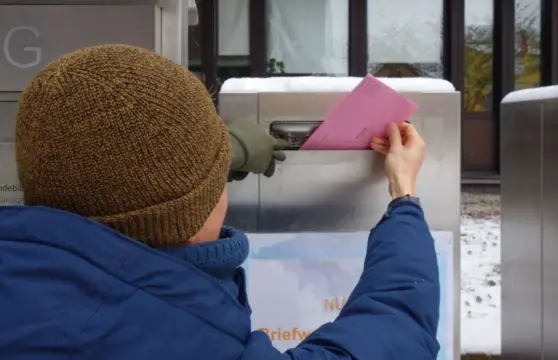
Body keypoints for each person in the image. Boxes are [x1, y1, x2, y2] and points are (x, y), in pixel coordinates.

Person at [0, 44, 440, 359]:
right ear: (195, 219)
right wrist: (404, 195)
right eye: (216, 179)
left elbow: (120, 174)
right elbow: (395, 328)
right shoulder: (200, 342)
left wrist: (222, 151)